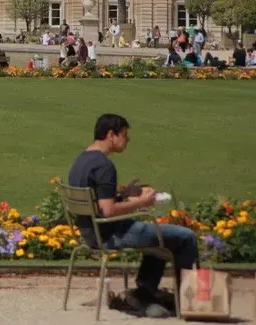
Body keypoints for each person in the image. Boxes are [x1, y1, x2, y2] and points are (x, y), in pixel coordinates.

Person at [69, 114, 198, 318]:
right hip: (110, 234)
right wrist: (143, 203)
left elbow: (99, 201)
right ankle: (186, 300)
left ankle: (145, 293)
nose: (127, 140)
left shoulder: (82, 160)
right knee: (185, 237)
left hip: (89, 232)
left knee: (158, 237)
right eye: (124, 135)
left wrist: (124, 195)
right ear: (111, 135)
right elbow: (108, 211)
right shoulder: (104, 166)